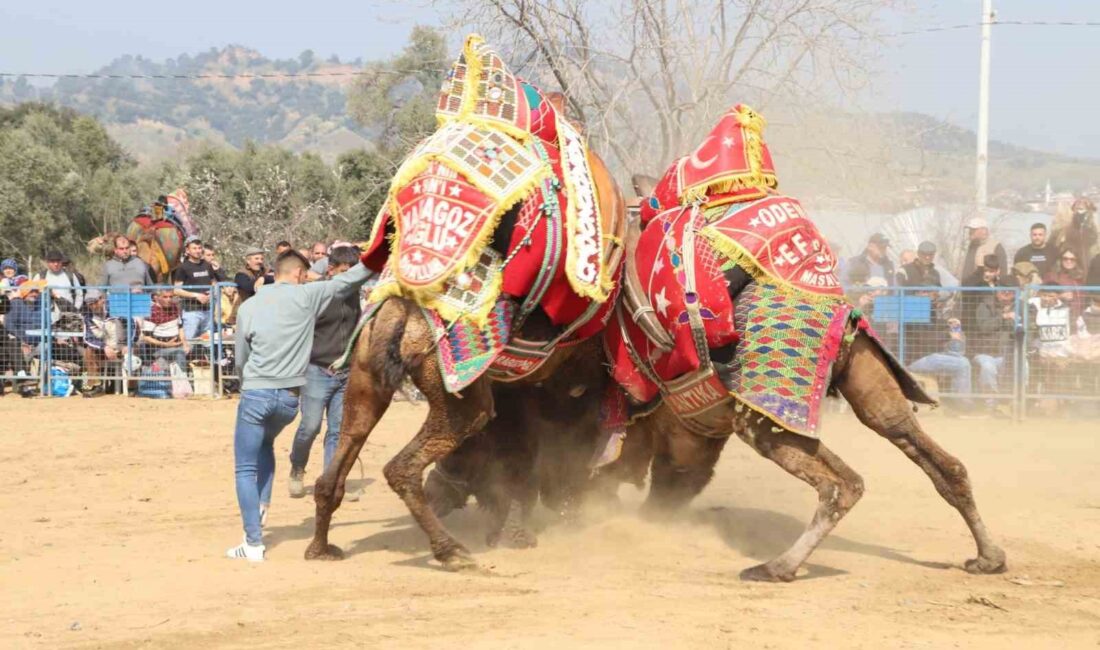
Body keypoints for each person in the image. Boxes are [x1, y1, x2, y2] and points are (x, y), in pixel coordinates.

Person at [227, 249, 373, 562]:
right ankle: (262, 506)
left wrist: (247, 383)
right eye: (304, 274)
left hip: (256, 392)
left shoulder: (249, 307)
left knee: (244, 467)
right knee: (267, 444)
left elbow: (241, 358)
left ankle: (253, 542)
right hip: (290, 399)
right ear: (296, 274)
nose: (306, 278)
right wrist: (380, 256)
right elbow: (349, 280)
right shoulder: (307, 296)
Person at [288, 246, 363, 498]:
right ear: (331, 270)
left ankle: (332, 481)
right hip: (316, 371)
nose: (350, 278)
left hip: (345, 373)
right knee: (309, 427)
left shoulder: (355, 297)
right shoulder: (316, 295)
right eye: (344, 272)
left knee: (337, 431)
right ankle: (297, 468)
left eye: (354, 272)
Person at [969, 281, 1017, 418]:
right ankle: (990, 406)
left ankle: (1016, 404)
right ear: (997, 292)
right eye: (1003, 291)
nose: (1006, 294)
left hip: (1009, 352)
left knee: (1021, 365)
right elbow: (984, 327)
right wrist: (1003, 317)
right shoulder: (985, 306)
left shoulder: (1021, 306)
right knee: (988, 367)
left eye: (1010, 292)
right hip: (985, 352)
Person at [907, 316, 975, 413]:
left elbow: (958, 352)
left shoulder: (941, 323)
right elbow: (926, 341)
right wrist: (954, 336)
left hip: (936, 358)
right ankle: (963, 405)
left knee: (963, 362)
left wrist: (956, 331)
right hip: (920, 361)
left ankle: (961, 404)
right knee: (963, 364)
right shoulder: (922, 316)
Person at [80, 289, 130, 398]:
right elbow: (88, 338)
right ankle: (94, 386)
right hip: (105, 349)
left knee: (135, 351)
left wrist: (127, 343)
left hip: (123, 346)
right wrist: (104, 347)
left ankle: (132, 388)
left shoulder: (116, 309)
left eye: (94, 303)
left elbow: (133, 326)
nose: (92, 306)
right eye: (90, 304)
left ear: (102, 299)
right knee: (88, 351)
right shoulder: (87, 316)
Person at [173, 235, 217, 342]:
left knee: (208, 343)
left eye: (199, 248)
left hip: (208, 310)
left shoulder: (207, 265)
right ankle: (185, 359)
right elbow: (176, 290)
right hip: (191, 311)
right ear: (187, 250)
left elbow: (213, 282)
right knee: (189, 342)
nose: (198, 251)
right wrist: (196, 295)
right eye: (194, 248)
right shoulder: (183, 267)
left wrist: (212, 292)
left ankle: (208, 359)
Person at [138, 289, 190, 369]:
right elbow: (146, 337)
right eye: (165, 297)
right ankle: (181, 379)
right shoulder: (152, 313)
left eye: (171, 297)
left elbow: (180, 327)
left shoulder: (174, 308)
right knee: (179, 353)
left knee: (197, 347)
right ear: (156, 298)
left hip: (176, 344)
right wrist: (166, 344)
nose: (169, 299)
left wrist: (185, 343)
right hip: (159, 348)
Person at [1051, 198, 1099, 278]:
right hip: (1071, 274)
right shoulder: (1065, 230)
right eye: (1077, 209)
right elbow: (1053, 251)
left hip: (1092, 273)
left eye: (1083, 208)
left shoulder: (1094, 232)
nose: (1080, 212)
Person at [1045, 248, 1086, 325]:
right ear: (1060, 260)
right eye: (1065, 258)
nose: (1068, 261)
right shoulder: (1052, 276)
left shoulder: (1079, 278)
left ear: (1076, 261)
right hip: (1057, 319)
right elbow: (1041, 298)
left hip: (1077, 320)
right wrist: (1060, 296)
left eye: (1072, 259)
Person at [960, 216, 1007, 282]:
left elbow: (1003, 271)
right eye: (970, 230)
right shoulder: (970, 246)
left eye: (973, 230)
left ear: (984, 230)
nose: (970, 232)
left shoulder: (996, 246)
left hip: (987, 289)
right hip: (969, 288)